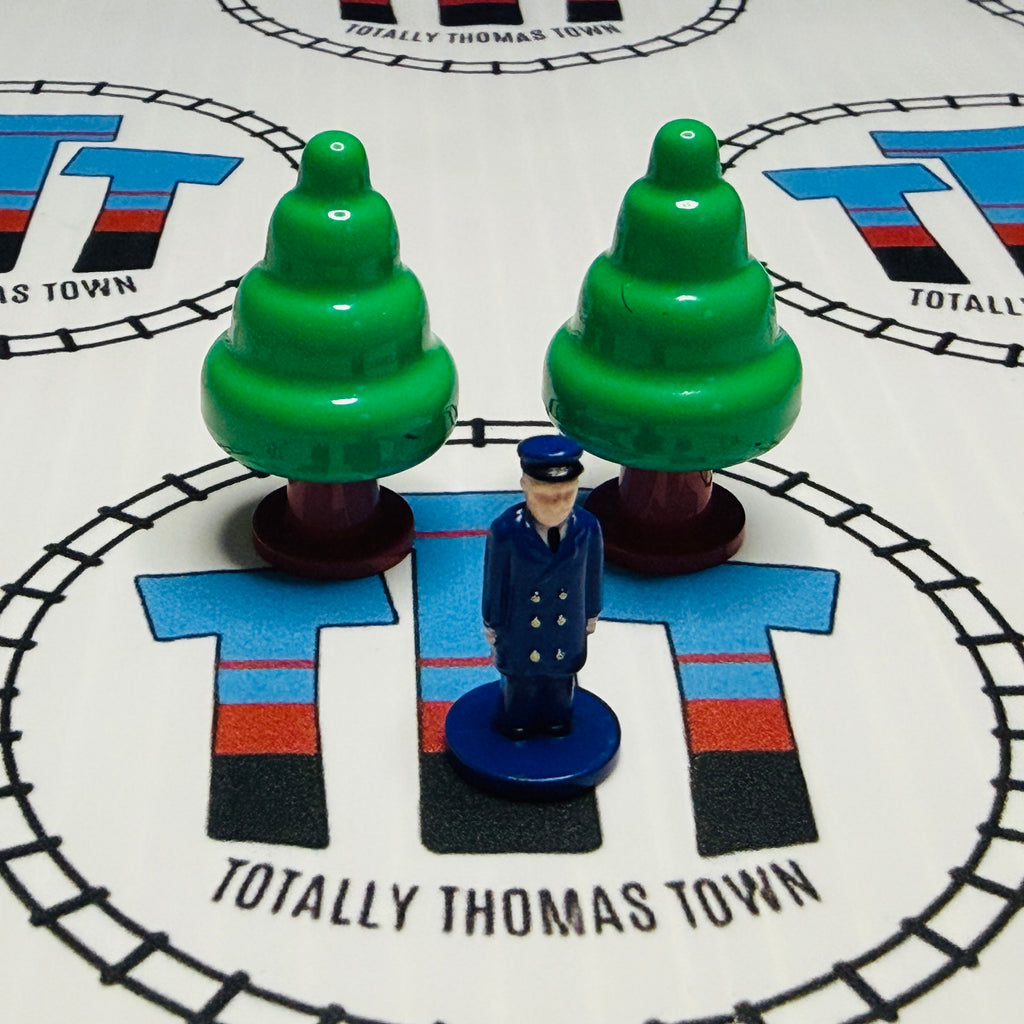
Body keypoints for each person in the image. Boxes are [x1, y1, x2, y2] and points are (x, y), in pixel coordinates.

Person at [482, 435, 603, 739]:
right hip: (521, 627)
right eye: (548, 497)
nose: (559, 504)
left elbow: (592, 574)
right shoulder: (506, 530)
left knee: (561, 679)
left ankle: (556, 719)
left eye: (567, 495)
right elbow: (496, 581)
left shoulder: (587, 527)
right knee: (520, 681)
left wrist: (591, 613)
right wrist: (492, 622)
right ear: (526, 486)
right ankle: (517, 720)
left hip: (567, 625)